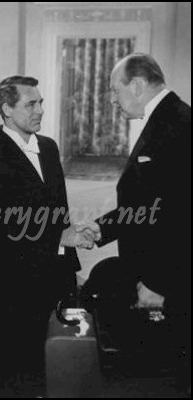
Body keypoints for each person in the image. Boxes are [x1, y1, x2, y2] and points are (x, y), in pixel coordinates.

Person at [0, 75, 97, 396]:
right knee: (20, 371)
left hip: (56, 273)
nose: (40, 110)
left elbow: (60, 212)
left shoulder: (49, 148)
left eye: (40, 103)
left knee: (61, 359)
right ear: (7, 109)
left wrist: (70, 251)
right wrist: (58, 239)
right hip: (13, 285)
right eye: (31, 104)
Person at [85, 53, 191, 386]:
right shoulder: (164, 118)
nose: (112, 99)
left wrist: (161, 285)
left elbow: (181, 215)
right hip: (152, 272)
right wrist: (99, 228)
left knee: (168, 374)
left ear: (137, 84)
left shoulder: (178, 125)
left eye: (115, 90)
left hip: (166, 281)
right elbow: (149, 204)